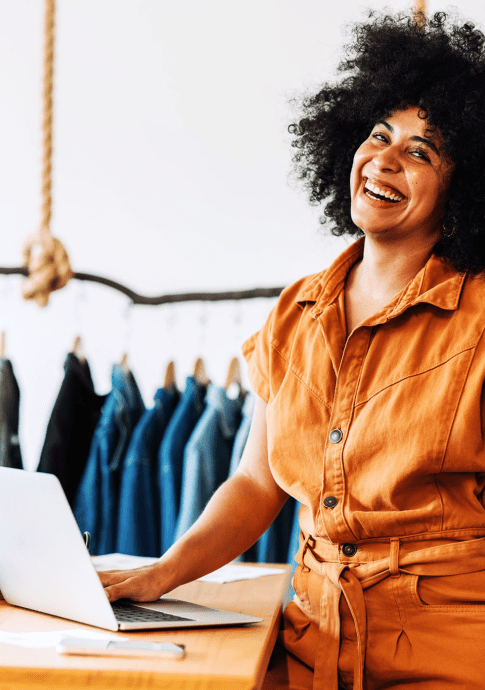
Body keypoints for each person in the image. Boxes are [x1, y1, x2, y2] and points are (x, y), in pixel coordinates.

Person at [99, 11, 485, 689]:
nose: (385, 160)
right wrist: (161, 573)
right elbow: (254, 484)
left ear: (461, 193)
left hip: (449, 652)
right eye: (378, 136)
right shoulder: (296, 310)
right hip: (312, 638)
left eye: (421, 151)